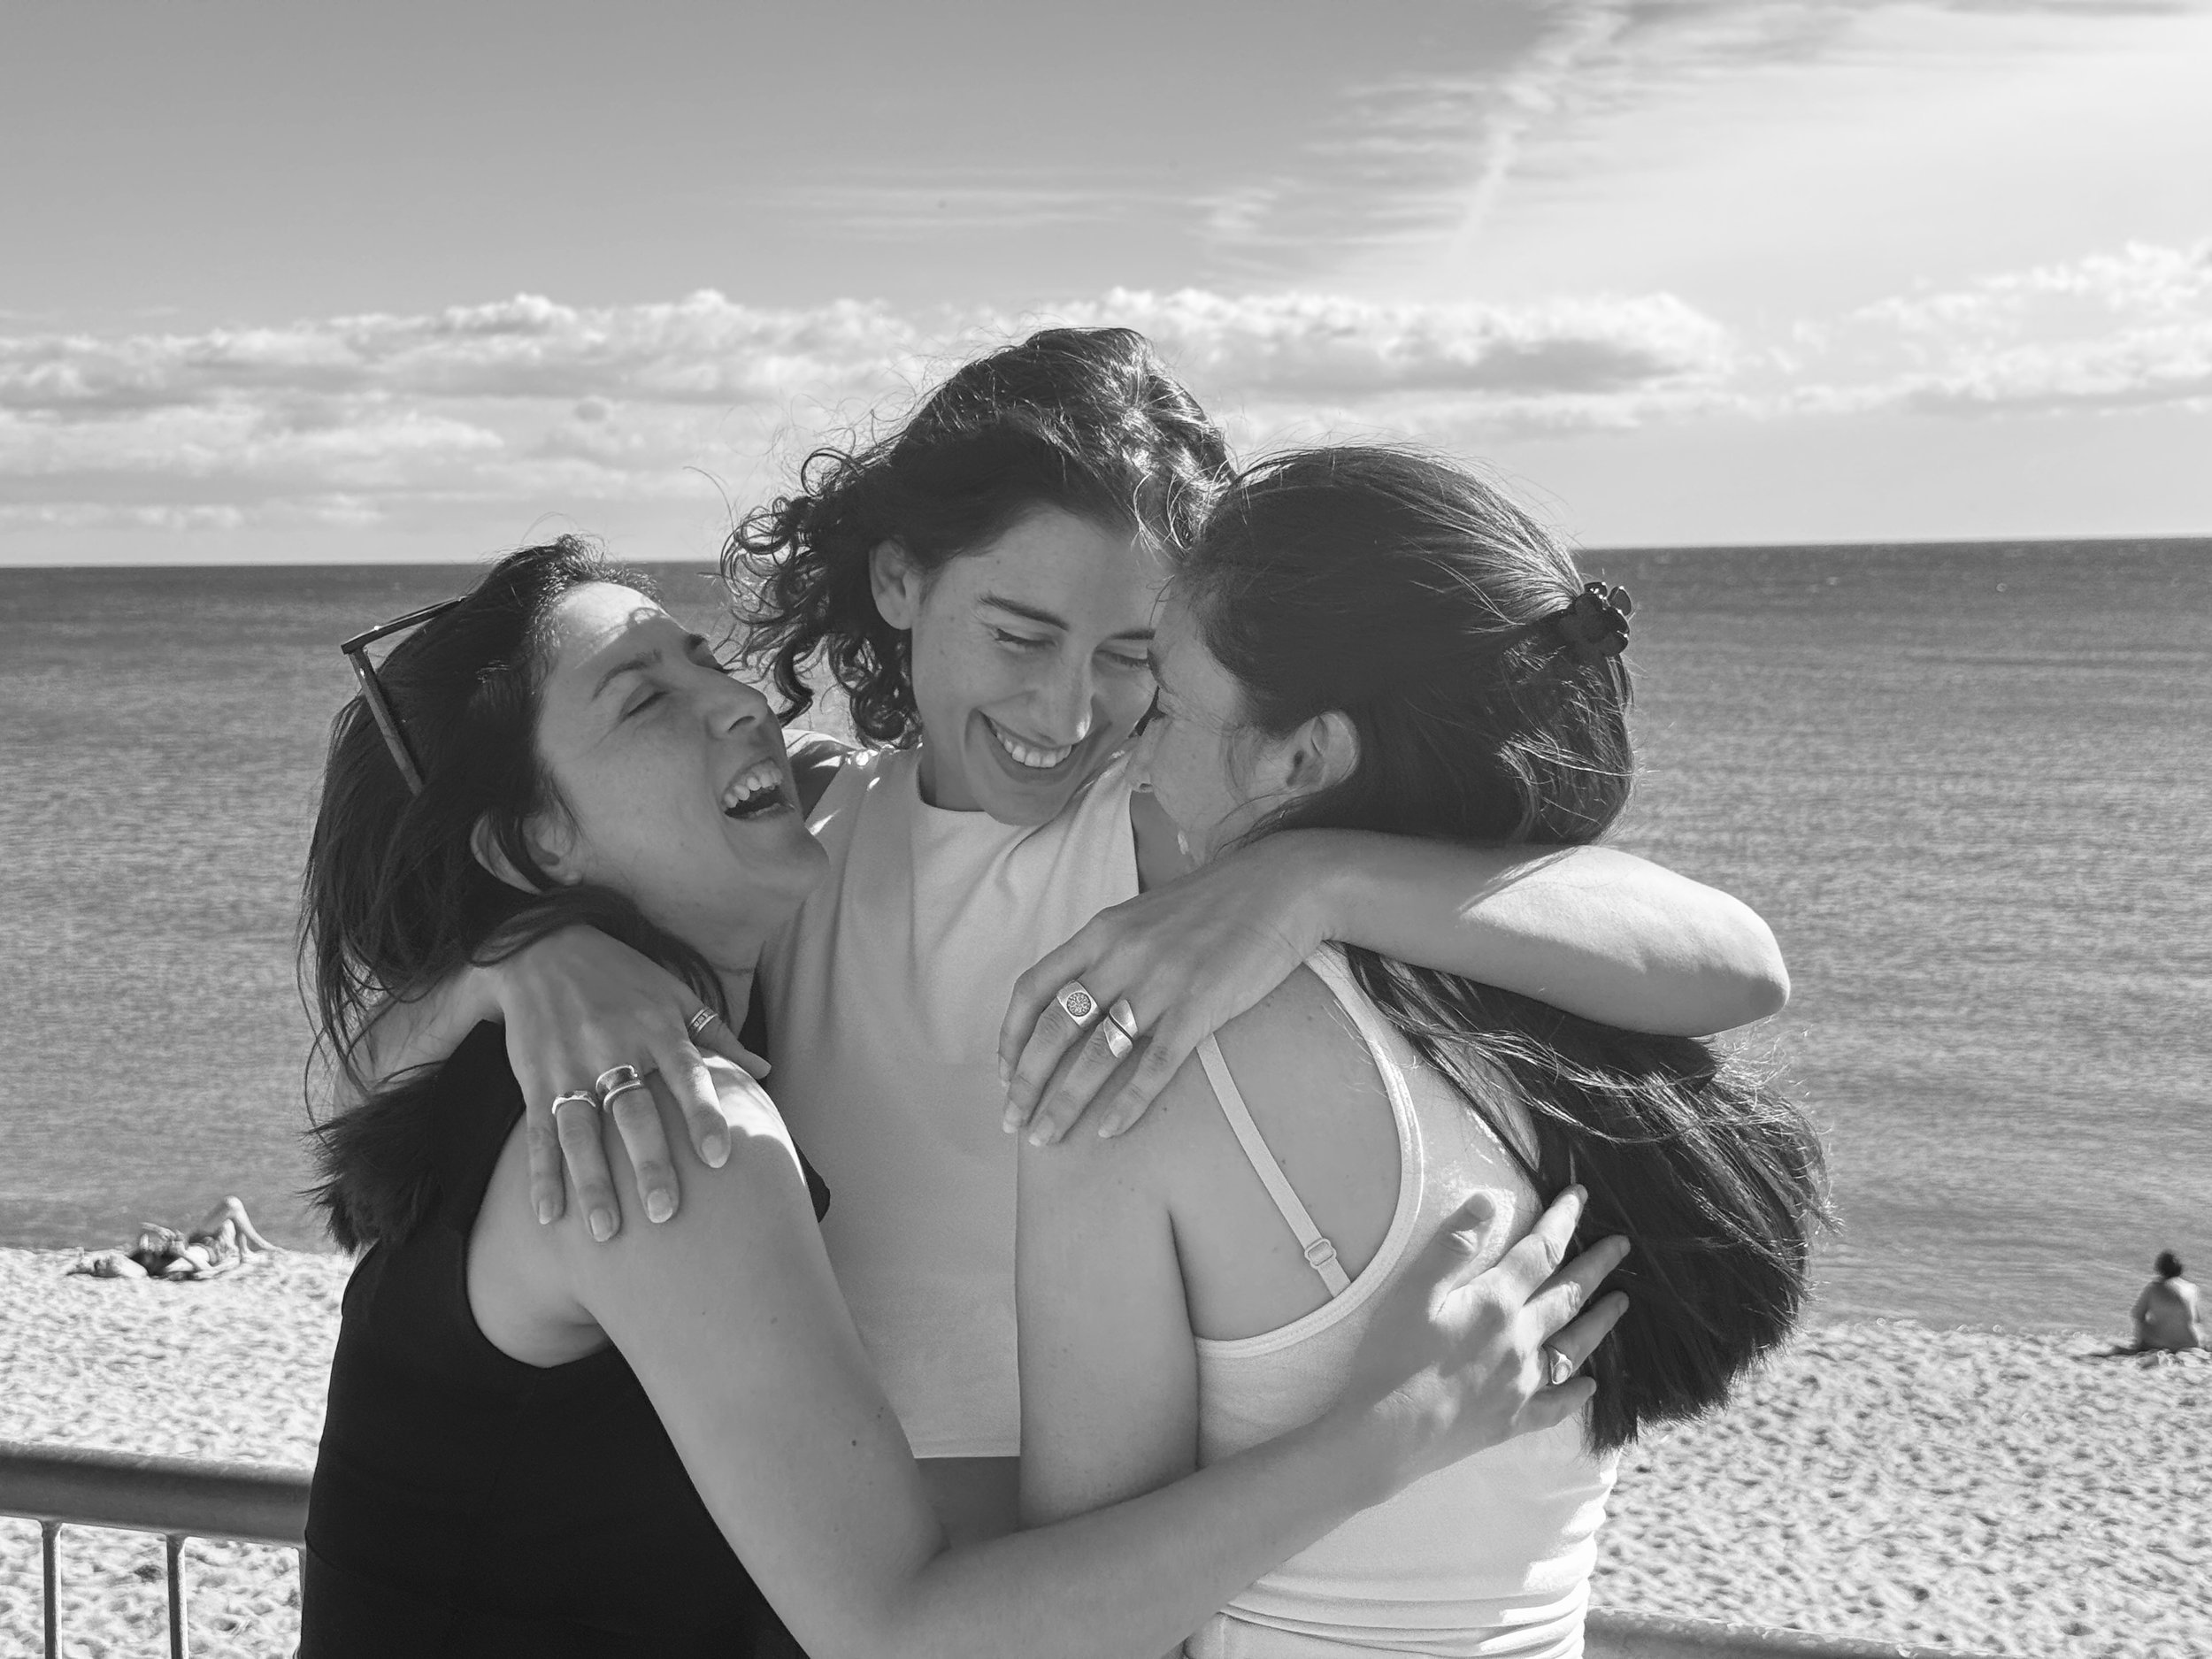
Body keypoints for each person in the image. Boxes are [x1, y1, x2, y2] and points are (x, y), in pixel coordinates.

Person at [359, 327, 1786, 1540]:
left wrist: (1319, 878)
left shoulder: (1189, 832)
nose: (1072, 710)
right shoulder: (799, 828)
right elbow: (379, 1051)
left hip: (1085, 1573)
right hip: (822, 1569)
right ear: (900, 582)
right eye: (1020, 635)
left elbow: (1730, 961)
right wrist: (527, 958)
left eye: (1131, 657)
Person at [296, 539, 1631, 1656]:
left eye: (701, 655)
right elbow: (900, 1636)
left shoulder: (531, 1052)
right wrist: (1392, 1433)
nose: (740, 702)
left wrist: (510, 958)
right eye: (644, 701)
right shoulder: (666, 1128)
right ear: (535, 845)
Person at [1018, 448, 1829, 1657]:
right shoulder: (1597, 1019)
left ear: (1304, 755)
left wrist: (1305, 876)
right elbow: (1748, 962)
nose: (1135, 750)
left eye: (1169, 706)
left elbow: (1078, 1632)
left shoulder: (1139, 1069)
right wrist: (1315, 876)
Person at [70, 1195, 278, 1280]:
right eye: (106, 1263)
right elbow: (207, 1270)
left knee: (231, 1205)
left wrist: (156, 1231)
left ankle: (248, 1249)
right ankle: (255, 1246)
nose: (107, 1259)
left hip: (196, 1237)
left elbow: (141, 1232)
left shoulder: (137, 1258)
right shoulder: (167, 1268)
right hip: (216, 1249)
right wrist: (183, 1253)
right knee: (231, 1213)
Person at [2131, 1252, 2204, 1352]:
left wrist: (2138, 1339)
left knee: (2143, 1322)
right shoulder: (2192, 1289)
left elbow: (2136, 1315)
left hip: (2163, 1344)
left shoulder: (2153, 1288)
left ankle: (2139, 1347)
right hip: (2191, 1342)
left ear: (2160, 1268)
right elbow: (2197, 1320)